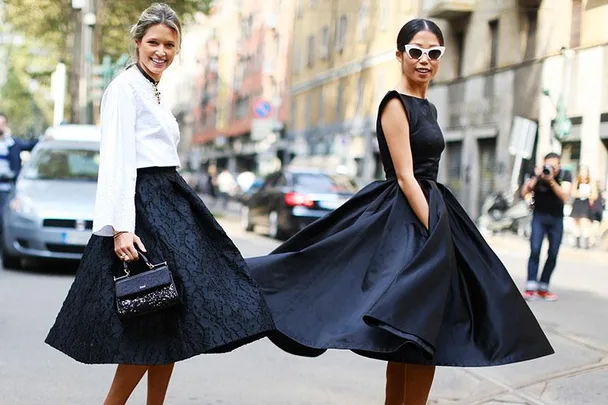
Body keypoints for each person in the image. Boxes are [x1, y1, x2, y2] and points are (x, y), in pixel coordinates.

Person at [246, 19, 554, 405]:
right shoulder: (395, 103)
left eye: (433, 53)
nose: (424, 60)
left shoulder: (429, 106)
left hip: (429, 210)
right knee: (416, 335)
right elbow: (406, 177)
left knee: (416, 337)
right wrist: (435, 231)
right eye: (415, 52)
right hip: (409, 218)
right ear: (400, 55)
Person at [45, 4, 273, 405]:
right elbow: (116, 160)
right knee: (148, 321)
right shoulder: (124, 88)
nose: (161, 51)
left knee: (171, 320)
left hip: (169, 201)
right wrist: (120, 227)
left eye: (170, 44)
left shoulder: (152, 89)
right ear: (137, 43)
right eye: (153, 42)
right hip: (144, 208)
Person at [520, 152, 572, 301]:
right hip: (539, 217)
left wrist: (551, 181)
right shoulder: (537, 174)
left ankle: (543, 287)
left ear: (558, 166)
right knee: (535, 250)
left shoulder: (565, 175)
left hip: (556, 218)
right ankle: (530, 287)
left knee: (553, 253)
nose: (550, 169)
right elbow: (524, 192)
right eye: (547, 165)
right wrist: (536, 177)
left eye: (553, 166)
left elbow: (565, 197)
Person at [0, 112, 38, 229]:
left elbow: (30, 144)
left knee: (4, 219)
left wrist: (44, 138)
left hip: (7, 188)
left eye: (2, 123)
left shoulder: (13, 143)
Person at [570, 166, 597, 249]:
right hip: (577, 203)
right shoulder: (577, 181)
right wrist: (580, 193)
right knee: (576, 223)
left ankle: (586, 243)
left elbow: (595, 195)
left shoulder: (591, 182)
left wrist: (587, 194)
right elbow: (573, 192)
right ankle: (577, 243)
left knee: (584, 222)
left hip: (585, 204)